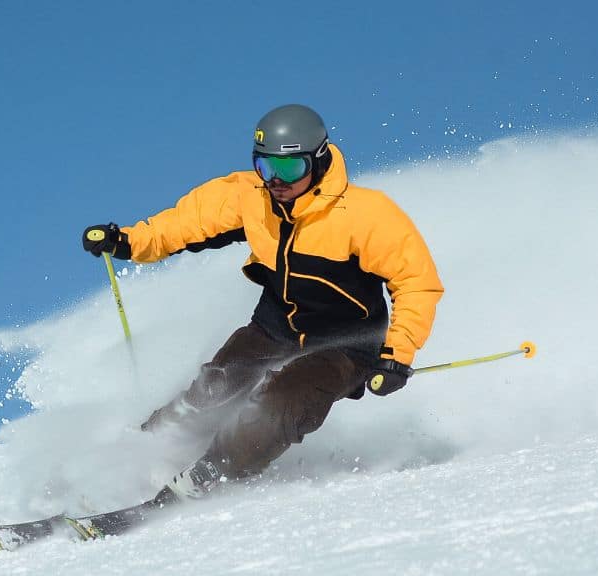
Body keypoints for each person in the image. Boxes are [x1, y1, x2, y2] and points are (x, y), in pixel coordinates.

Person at [82, 104, 443, 500]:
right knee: (212, 389)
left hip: (347, 346)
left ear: (318, 161)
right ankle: (138, 456)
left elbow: (416, 281)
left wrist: (397, 356)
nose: (276, 181)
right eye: (265, 167)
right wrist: (130, 241)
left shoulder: (365, 214)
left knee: (279, 404)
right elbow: (185, 223)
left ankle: (208, 477)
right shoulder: (252, 197)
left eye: (288, 170)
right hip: (275, 328)